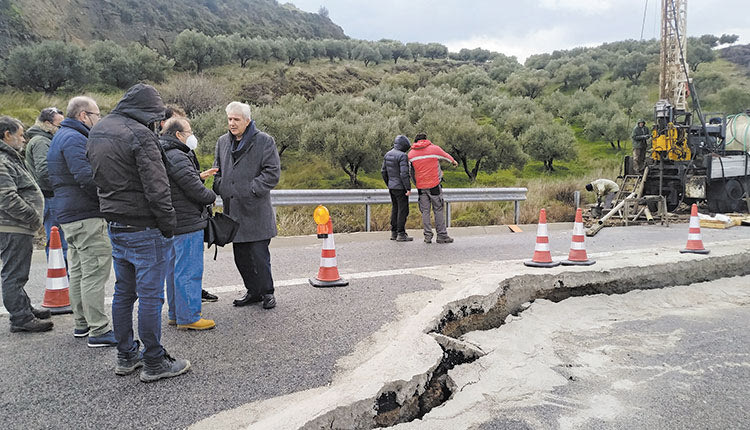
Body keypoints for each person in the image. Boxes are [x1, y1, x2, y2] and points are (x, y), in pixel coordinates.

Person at [87, 83, 190, 382]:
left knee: (123, 293)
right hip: (145, 226)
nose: (158, 123)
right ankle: (155, 361)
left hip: (115, 224)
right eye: (157, 116)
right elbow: (157, 187)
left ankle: (126, 355)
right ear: (147, 112)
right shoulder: (141, 135)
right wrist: (168, 223)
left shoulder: (99, 129)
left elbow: (95, 175)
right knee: (149, 297)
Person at [47, 97, 116, 347]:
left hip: (69, 214)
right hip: (85, 215)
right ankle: (99, 329)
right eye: (97, 115)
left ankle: (82, 323)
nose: (98, 120)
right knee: (95, 272)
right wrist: (109, 199)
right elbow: (86, 176)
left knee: (77, 270)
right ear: (83, 115)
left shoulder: (61, 137)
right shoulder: (76, 138)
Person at [213, 101, 280, 310]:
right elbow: (217, 170)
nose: (232, 123)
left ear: (247, 120)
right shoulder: (222, 142)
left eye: (236, 119)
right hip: (233, 212)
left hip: (256, 210)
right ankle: (253, 291)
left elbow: (272, 173)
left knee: (260, 257)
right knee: (241, 257)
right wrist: (220, 187)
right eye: (229, 119)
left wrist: (251, 189)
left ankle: (267, 292)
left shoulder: (264, 141)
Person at [159, 117, 217, 330]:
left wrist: (198, 177)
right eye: (189, 131)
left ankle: (176, 313)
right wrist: (211, 195)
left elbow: (180, 182)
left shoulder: (164, 152)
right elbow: (194, 189)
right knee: (189, 270)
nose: (192, 136)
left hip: (174, 220)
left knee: (174, 270)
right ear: (178, 135)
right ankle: (189, 316)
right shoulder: (178, 155)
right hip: (187, 221)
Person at [0, 116, 53, 333]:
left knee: (18, 272)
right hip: (13, 226)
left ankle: (24, 308)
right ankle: (20, 318)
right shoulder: (3, 160)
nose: (23, 140)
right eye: (21, 135)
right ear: (7, 135)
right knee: (14, 273)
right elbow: (6, 197)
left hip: (16, 226)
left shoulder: (10, 158)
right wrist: (32, 216)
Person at [24, 107, 67, 260]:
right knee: (58, 241)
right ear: (48, 123)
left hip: (51, 196)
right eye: (59, 125)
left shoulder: (44, 139)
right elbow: (44, 171)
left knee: (59, 240)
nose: (61, 129)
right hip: (50, 197)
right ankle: (60, 278)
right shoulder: (41, 142)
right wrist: (62, 186)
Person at [408, 132, 457, 244]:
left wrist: (415, 183)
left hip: (421, 187)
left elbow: (410, 171)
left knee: (425, 211)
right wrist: (454, 162)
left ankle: (427, 236)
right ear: (426, 139)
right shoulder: (434, 149)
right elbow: (448, 157)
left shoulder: (411, 154)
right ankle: (442, 236)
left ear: (416, 141)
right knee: (438, 209)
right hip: (434, 185)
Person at [381, 135, 413, 242]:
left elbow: (383, 172)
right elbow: (404, 174)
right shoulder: (403, 156)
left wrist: (389, 183)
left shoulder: (387, 154)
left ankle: (393, 232)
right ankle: (401, 233)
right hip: (400, 187)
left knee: (395, 209)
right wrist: (408, 188)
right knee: (403, 210)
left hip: (392, 186)